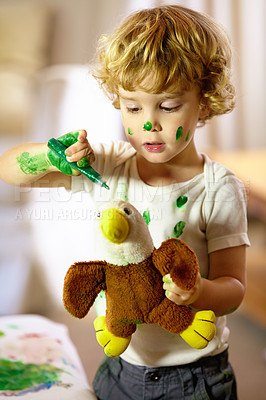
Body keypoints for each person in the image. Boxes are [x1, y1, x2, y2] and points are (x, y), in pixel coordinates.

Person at [0, 5, 250, 399]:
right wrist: (51, 156)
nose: (148, 124)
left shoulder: (219, 188)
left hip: (194, 377)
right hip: (118, 366)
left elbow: (234, 287)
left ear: (204, 101)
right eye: (133, 107)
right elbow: (9, 168)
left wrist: (198, 291)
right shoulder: (107, 166)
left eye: (168, 107)